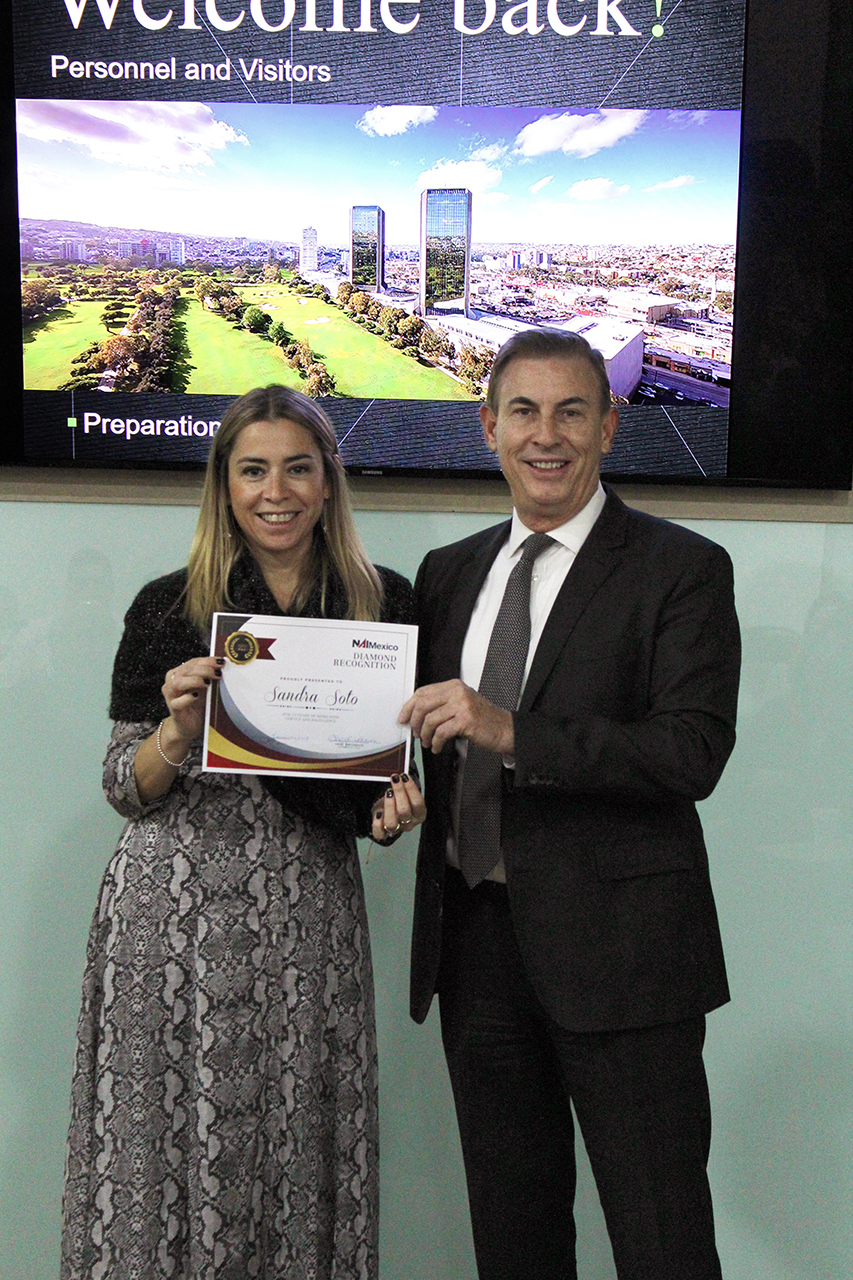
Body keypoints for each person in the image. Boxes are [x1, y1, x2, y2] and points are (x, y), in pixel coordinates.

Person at [61, 386, 424, 1280]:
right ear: (224, 485)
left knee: (298, 1151)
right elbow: (123, 786)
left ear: (328, 482)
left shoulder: (384, 605)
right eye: (253, 470)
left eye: (298, 469)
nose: (276, 492)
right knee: (159, 1157)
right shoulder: (168, 607)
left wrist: (395, 812)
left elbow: (377, 789)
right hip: (170, 925)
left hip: (308, 921)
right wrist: (178, 731)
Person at [401, 330, 740, 1280]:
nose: (544, 436)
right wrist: (392, 796)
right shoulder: (447, 572)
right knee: (514, 1242)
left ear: (608, 428)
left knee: (662, 1241)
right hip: (475, 947)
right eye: (522, 412)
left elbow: (690, 751)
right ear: (487, 428)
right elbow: (428, 736)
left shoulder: (681, 566)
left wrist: (513, 731)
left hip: (624, 957)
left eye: (570, 412)